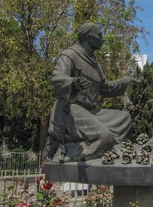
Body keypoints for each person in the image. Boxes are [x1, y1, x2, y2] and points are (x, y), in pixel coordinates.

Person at [43, 23, 139, 162]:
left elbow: (106, 88)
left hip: (91, 112)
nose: (103, 39)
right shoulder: (69, 55)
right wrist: (73, 82)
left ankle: (105, 147)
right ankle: (68, 152)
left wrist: (125, 81)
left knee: (124, 118)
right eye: (99, 35)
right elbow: (57, 77)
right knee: (105, 136)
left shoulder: (95, 63)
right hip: (71, 110)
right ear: (89, 38)